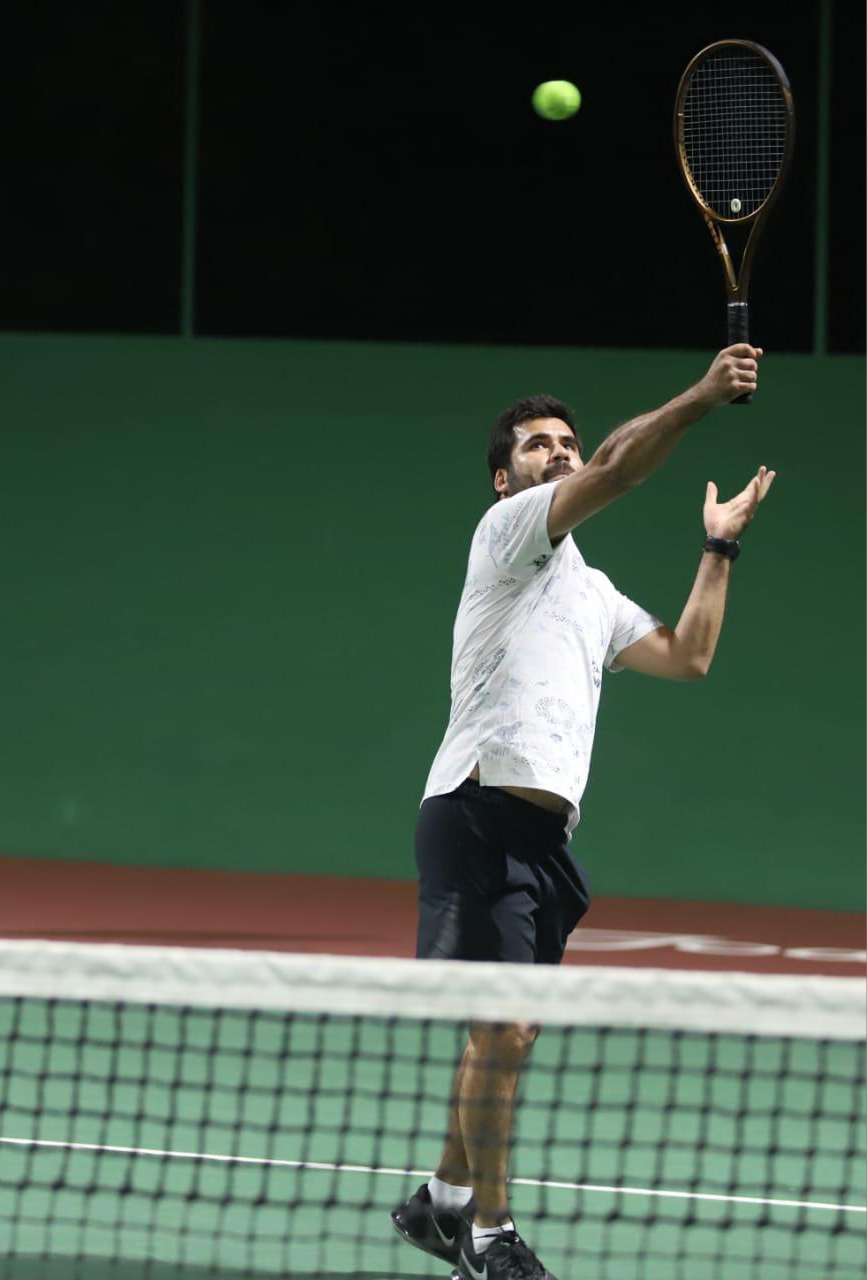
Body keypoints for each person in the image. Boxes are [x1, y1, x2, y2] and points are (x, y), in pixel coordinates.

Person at [390, 345, 775, 1280]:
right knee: (506, 1027)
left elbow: (687, 655)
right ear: (503, 478)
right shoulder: (508, 536)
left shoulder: (592, 595)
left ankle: (439, 1201)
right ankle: (489, 1236)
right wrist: (700, 397)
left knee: (504, 1033)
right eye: (538, 446)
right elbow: (614, 467)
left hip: (543, 840)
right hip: (476, 808)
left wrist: (717, 544)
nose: (560, 455)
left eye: (565, 442)